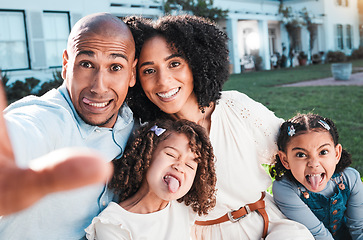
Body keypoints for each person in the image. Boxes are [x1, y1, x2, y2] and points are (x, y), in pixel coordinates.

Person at [125, 15, 314, 239]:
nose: (163, 81)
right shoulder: (149, 136)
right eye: (148, 70)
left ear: (196, 63)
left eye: (174, 63)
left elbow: (295, 152)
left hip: (268, 225)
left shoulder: (236, 108)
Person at [0, 12, 137, 239]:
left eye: (115, 67)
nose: (98, 87)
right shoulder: (48, 116)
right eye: (86, 64)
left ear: (132, 73)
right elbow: (24, 130)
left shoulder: (134, 122)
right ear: (66, 64)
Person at [85, 119, 217, 239]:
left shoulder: (182, 209)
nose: (180, 167)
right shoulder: (114, 224)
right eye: (171, 154)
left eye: (189, 165)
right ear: (147, 157)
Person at [270, 113, 363, 240]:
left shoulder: (350, 178)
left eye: (323, 152)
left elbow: (359, 227)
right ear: (285, 160)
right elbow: (318, 234)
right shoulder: (285, 189)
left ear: (336, 154)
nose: (313, 164)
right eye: (301, 155)